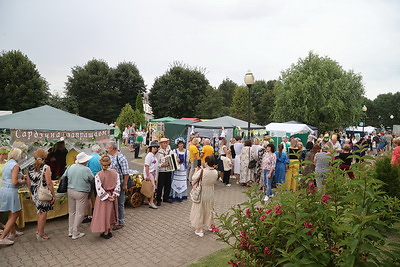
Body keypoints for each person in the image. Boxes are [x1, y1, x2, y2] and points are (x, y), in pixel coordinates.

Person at [63, 152, 94, 240]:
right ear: (84, 161)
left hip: (70, 190)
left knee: (72, 211)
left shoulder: (70, 167)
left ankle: (70, 230)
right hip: (81, 191)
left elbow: (64, 176)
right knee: (80, 213)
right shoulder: (86, 169)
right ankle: (75, 232)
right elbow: (92, 179)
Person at [27, 149, 55, 241]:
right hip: (42, 193)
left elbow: (28, 182)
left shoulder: (30, 167)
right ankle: (40, 234)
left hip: (34, 193)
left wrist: (30, 192)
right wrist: (53, 194)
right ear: (45, 157)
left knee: (39, 212)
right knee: (43, 213)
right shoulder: (46, 167)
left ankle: (39, 230)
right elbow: (49, 183)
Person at [0, 148, 26, 245]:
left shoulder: (7, 163)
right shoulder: (15, 165)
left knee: (13, 211)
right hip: (11, 191)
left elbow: (9, 177)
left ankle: (12, 232)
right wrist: (23, 181)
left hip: (4, 189)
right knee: (15, 213)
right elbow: (15, 182)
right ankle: (3, 237)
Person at [90, 155, 120, 239]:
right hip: (112, 195)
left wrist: (107, 196)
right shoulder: (115, 172)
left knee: (103, 214)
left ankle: (105, 231)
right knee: (111, 213)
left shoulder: (98, 175)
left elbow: (99, 188)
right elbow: (118, 184)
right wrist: (114, 194)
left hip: (103, 198)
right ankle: (110, 230)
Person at [190, 156, 218, 237]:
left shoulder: (203, 171)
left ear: (206, 162)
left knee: (200, 209)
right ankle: (210, 225)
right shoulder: (215, 172)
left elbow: (193, 178)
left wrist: (196, 171)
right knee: (209, 208)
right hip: (210, 192)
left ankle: (199, 229)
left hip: (202, 191)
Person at [106, 141, 129, 229]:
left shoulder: (121, 158)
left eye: (107, 148)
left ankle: (121, 221)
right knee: (114, 202)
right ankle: (115, 220)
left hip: (120, 183)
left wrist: (125, 184)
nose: (106, 149)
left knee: (120, 203)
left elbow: (126, 172)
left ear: (112, 148)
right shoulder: (111, 156)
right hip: (112, 184)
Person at [83, 144, 102, 224]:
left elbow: (85, 168)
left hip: (90, 179)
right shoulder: (101, 158)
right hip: (99, 179)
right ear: (99, 151)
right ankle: (100, 214)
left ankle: (90, 215)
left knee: (89, 198)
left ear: (91, 150)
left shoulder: (89, 158)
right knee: (99, 196)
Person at [156, 138, 174, 206]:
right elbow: (156, 164)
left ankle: (165, 198)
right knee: (160, 186)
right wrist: (161, 165)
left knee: (168, 185)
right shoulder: (159, 152)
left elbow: (173, 158)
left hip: (169, 170)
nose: (165, 144)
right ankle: (158, 199)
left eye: (166, 143)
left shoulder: (170, 151)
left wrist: (176, 160)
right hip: (162, 171)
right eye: (164, 143)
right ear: (161, 144)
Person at [144, 141, 159, 209]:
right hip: (150, 173)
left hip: (152, 173)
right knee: (152, 187)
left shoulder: (153, 155)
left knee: (149, 187)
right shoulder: (149, 155)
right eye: (154, 147)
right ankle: (151, 202)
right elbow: (146, 166)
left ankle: (146, 200)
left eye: (156, 147)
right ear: (150, 148)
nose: (155, 148)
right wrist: (147, 175)